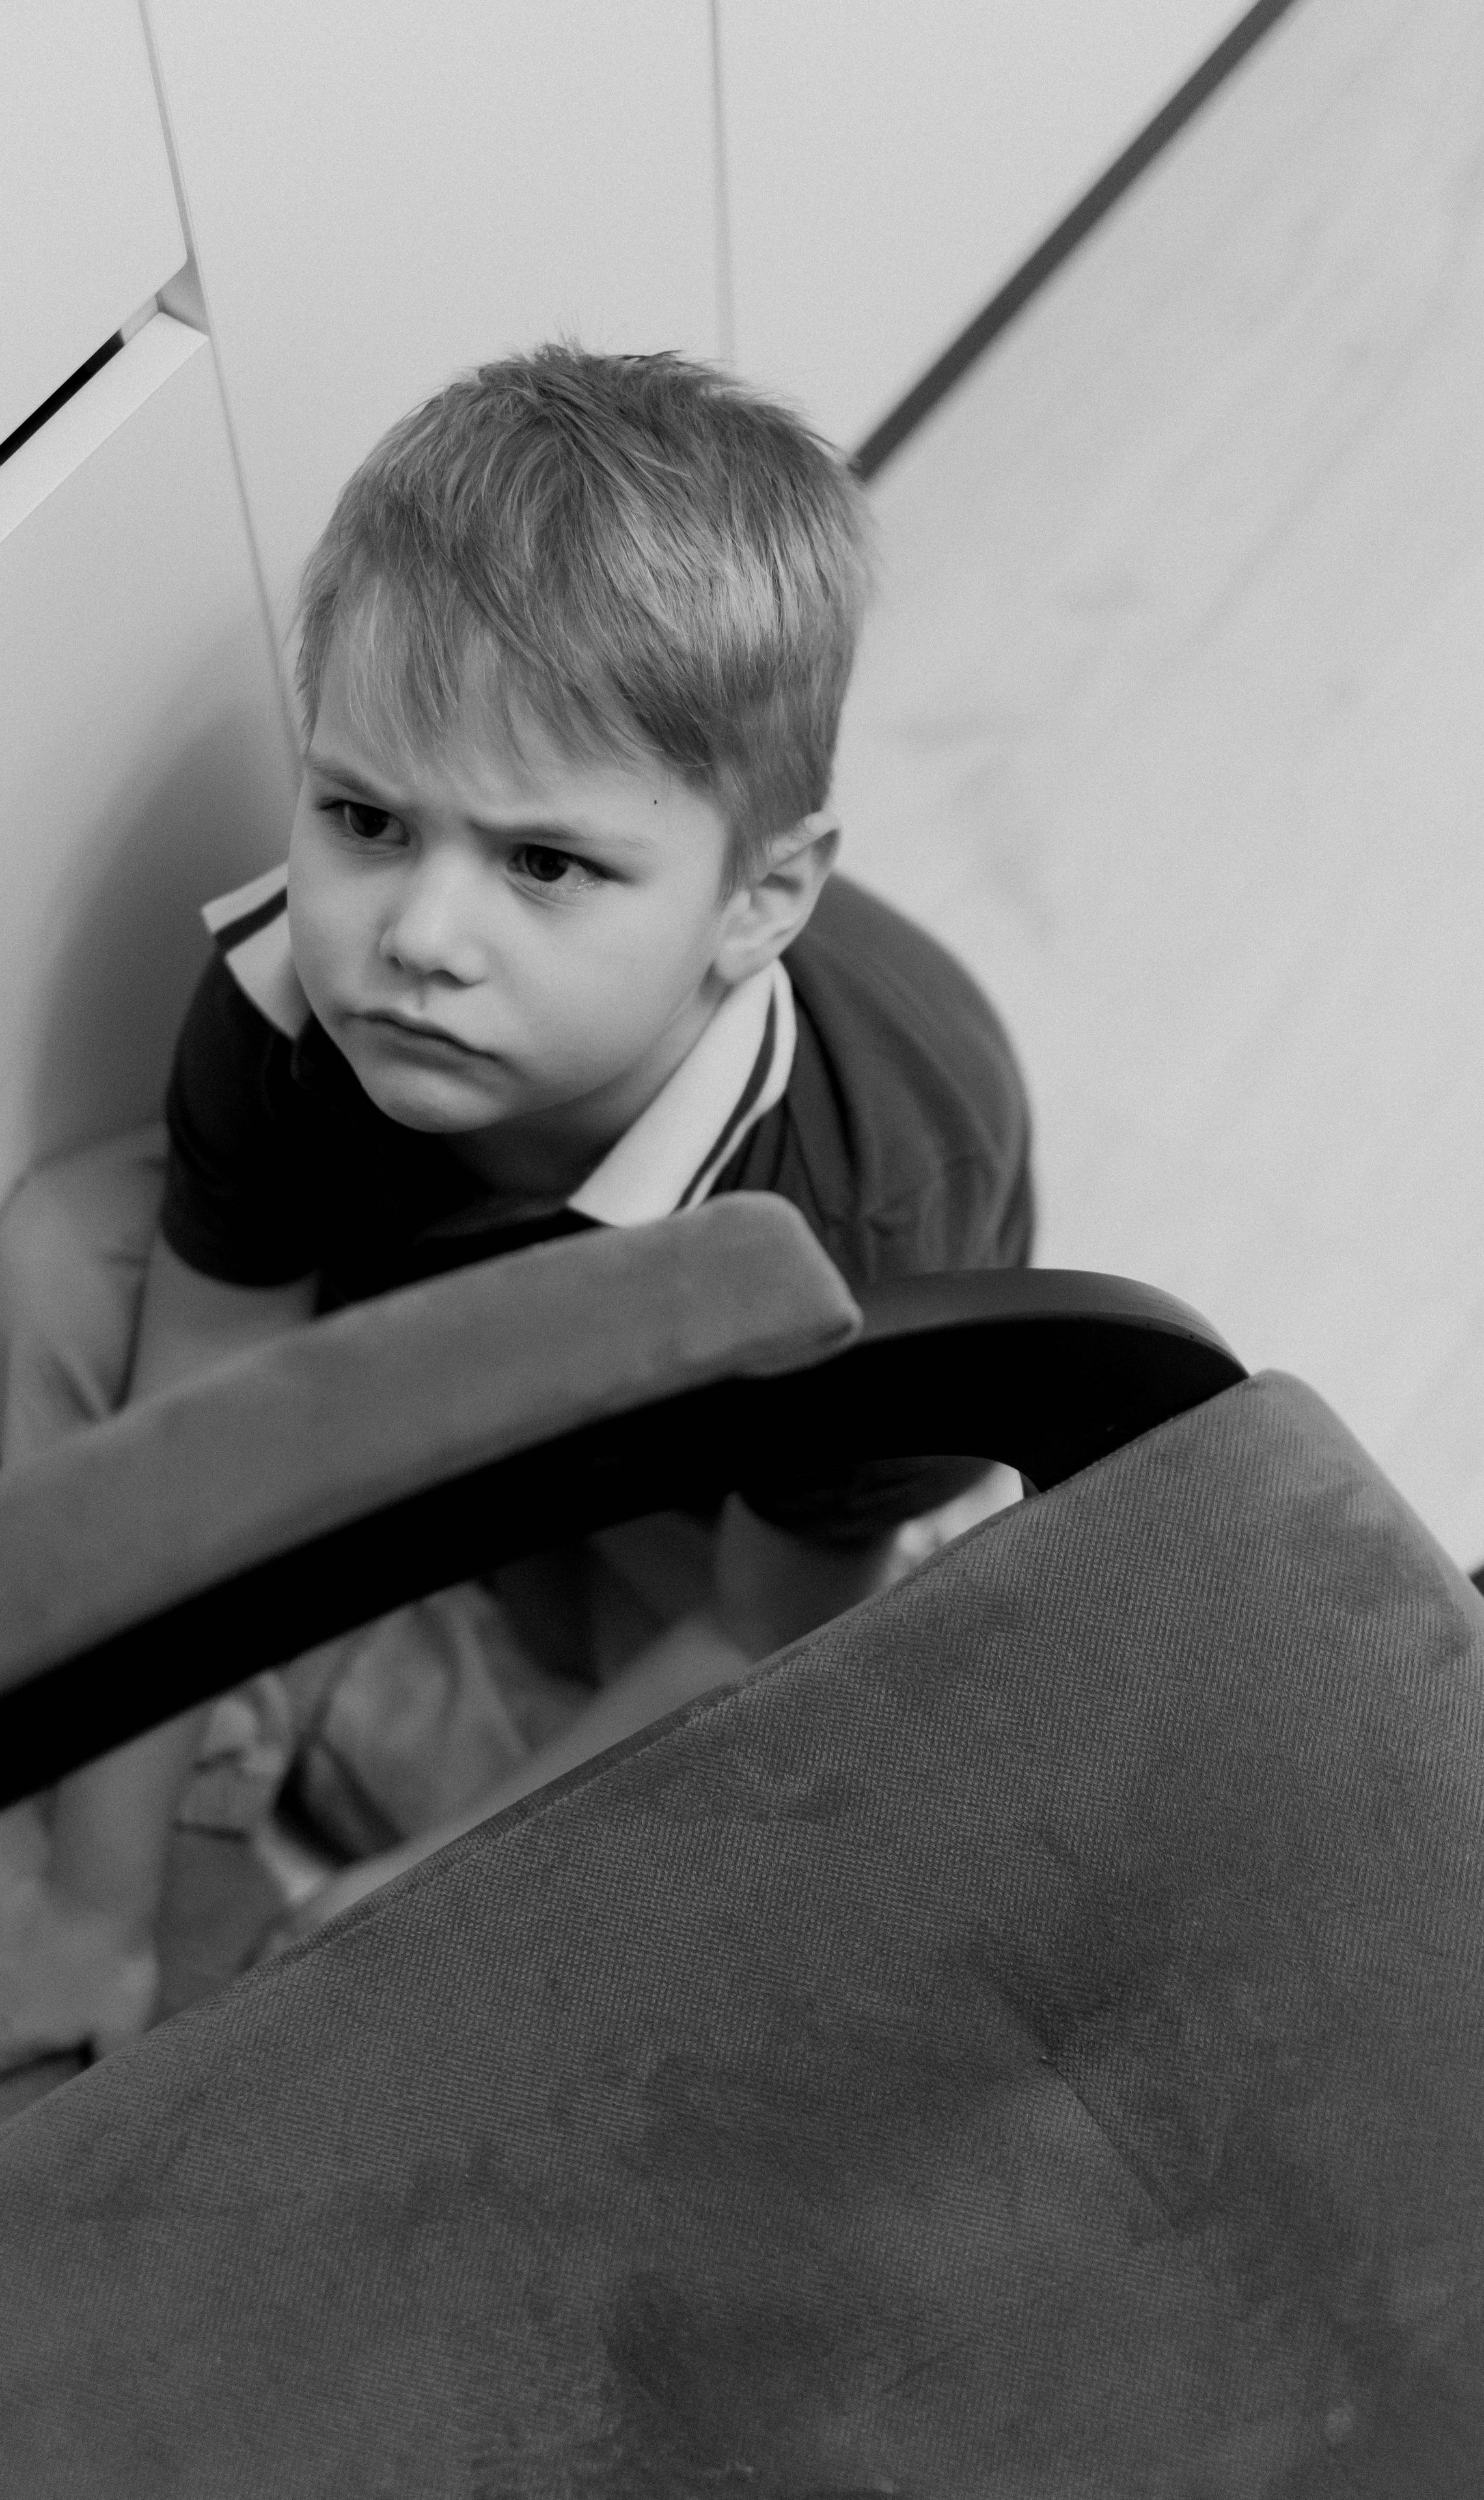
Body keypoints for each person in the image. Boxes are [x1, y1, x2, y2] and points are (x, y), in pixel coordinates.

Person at [0, 343, 1033, 2076]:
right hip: (394, 1383)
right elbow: (199, 1446)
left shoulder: (874, 1201)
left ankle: (322, 1800)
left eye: (544, 864)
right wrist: (94, 1912)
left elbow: (767, 1610)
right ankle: (172, 1826)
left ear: (760, 897)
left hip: (681, 1527)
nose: (416, 937)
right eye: (366, 819)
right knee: (58, 1259)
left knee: (785, 1839)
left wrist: (416, 1898)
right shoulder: (291, 1006)